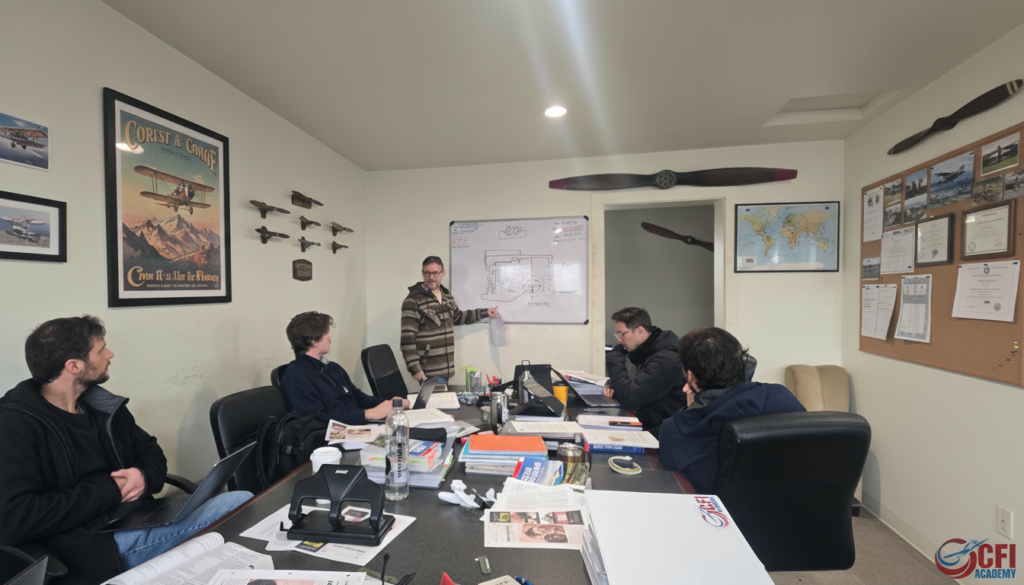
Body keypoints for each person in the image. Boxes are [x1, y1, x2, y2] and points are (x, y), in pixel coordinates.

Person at [0, 316, 251, 584]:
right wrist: (112, 490)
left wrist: (143, 476)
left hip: (139, 517)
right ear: (73, 365)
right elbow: (15, 518)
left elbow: (151, 452)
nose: (110, 354)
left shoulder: (102, 406)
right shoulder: (13, 425)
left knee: (236, 515)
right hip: (88, 547)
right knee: (237, 502)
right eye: (100, 350)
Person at [658, 327, 806, 494]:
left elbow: (687, 490)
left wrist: (691, 408)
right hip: (799, 513)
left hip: (725, 518)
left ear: (690, 376)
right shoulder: (781, 396)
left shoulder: (676, 430)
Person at [281, 311, 408, 424]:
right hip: (333, 439)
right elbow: (315, 420)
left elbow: (358, 397)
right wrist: (368, 414)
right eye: (326, 333)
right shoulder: (295, 377)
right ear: (314, 341)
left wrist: (390, 404)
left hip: (359, 427)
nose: (330, 337)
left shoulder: (332, 368)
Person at [400, 256, 497, 382]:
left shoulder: (446, 296)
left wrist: (485, 312)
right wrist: (414, 367)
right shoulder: (413, 300)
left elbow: (458, 317)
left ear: (442, 273)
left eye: (435, 273)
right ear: (422, 273)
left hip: (446, 368)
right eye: (427, 273)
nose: (431, 277)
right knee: (435, 401)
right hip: (428, 370)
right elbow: (407, 338)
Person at [603, 307, 687, 433]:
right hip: (655, 420)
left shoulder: (665, 359)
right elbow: (638, 387)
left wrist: (614, 359)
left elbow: (629, 398)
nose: (619, 340)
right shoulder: (650, 350)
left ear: (640, 330)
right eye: (618, 335)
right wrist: (615, 384)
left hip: (665, 428)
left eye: (622, 334)